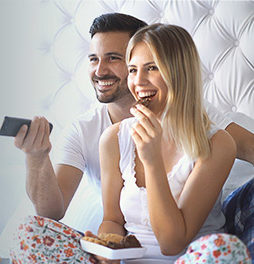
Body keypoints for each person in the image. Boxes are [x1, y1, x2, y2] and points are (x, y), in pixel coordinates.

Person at [14, 12, 254, 230]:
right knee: (28, 231)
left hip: (190, 237)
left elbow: (245, 146)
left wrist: (152, 159)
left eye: (112, 58)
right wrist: (37, 158)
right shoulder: (88, 130)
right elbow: (51, 212)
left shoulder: (194, 114)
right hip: (130, 236)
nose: (100, 70)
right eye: (94, 59)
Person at [96, 23, 250, 263]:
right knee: (32, 231)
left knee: (223, 248)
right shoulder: (113, 139)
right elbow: (113, 220)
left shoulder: (217, 143)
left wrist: (152, 161)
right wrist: (106, 249)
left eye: (152, 68)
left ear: (180, 72)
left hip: (195, 258)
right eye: (133, 70)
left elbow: (171, 243)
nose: (138, 81)